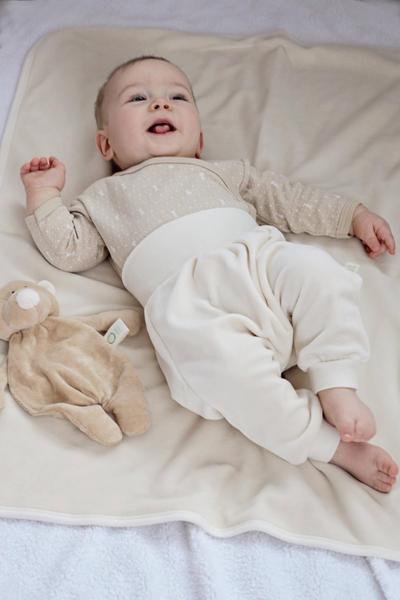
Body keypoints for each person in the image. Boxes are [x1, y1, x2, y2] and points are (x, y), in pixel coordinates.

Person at [20, 55, 398, 492]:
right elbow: (69, 250)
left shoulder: (222, 173)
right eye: (138, 98)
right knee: (223, 376)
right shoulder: (101, 197)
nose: (160, 104)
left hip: (257, 266)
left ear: (199, 139)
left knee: (316, 270)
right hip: (189, 308)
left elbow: (289, 201)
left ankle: (336, 381)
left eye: (177, 97)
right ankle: (331, 445)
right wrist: (44, 194)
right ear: (106, 146)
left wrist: (352, 216)